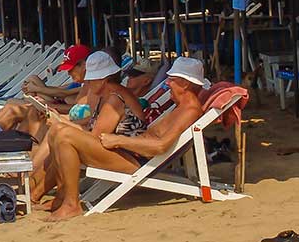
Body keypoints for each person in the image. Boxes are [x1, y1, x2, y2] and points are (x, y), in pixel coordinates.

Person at [43, 56, 210, 220]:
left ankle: (72, 204)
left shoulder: (190, 111)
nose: (167, 83)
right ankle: (62, 198)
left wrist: (119, 140)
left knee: (65, 134)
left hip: (137, 161)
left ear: (185, 83)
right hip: (129, 153)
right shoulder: (180, 107)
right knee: (58, 129)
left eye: (172, 79)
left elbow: (161, 146)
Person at [28, 51, 146, 206]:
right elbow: (92, 128)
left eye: (90, 81)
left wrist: (61, 123)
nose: (87, 85)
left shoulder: (116, 99)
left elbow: (95, 136)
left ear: (103, 79)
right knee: (58, 131)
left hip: (131, 159)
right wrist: (59, 120)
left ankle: (51, 197)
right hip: (118, 152)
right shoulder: (106, 95)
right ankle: (35, 192)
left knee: (62, 135)